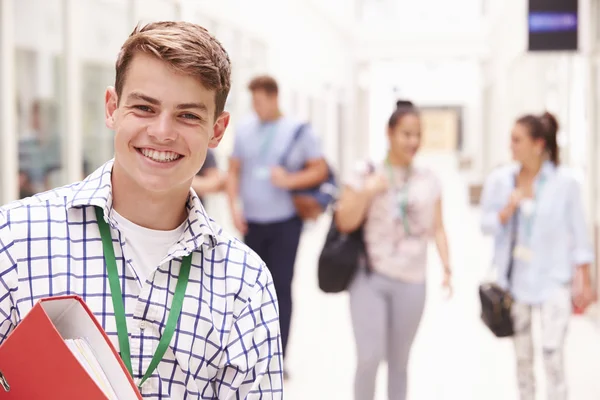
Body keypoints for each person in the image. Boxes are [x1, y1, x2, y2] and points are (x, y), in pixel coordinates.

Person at [0, 21, 283, 399]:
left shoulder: (245, 284)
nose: (162, 132)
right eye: (145, 107)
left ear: (217, 130)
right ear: (112, 108)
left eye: (188, 115)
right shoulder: (15, 240)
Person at [335, 100, 452, 400]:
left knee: (400, 363)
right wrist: (368, 191)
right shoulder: (365, 170)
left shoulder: (429, 179)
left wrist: (447, 268)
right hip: (369, 275)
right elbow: (344, 221)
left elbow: (438, 227)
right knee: (369, 357)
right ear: (389, 133)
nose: (413, 141)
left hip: (412, 279)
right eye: (406, 134)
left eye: (417, 135)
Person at [480, 112, 595, 400]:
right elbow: (485, 224)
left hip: (554, 278)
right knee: (522, 358)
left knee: (552, 354)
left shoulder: (565, 183)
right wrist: (507, 210)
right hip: (516, 282)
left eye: (517, 140)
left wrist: (585, 279)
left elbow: (579, 234)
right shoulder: (501, 181)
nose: (511, 146)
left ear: (538, 144)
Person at [227, 75, 328, 375]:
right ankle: (252, 354)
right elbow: (233, 171)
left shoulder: (297, 130)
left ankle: (278, 358)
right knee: (251, 290)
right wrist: (233, 207)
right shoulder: (245, 128)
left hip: (286, 223)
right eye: (253, 102)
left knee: (280, 288)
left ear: (274, 98)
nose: (256, 107)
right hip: (253, 224)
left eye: (260, 101)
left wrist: (289, 180)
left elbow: (320, 169)